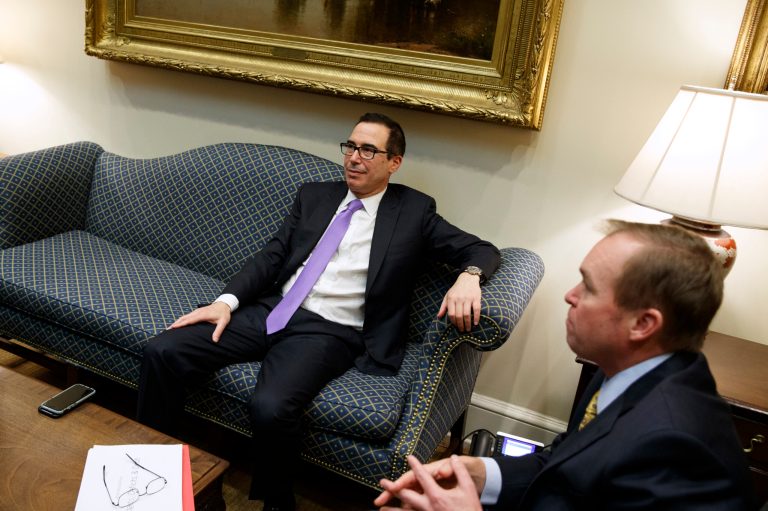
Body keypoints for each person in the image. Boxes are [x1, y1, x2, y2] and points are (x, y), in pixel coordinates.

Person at [136, 113, 501, 511]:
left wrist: (470, 277)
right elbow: (272, 257)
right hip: (274, 310)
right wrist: (225, 303)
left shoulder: (413, 212)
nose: (354, 159)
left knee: (271, 407)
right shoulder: (315, 196)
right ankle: (156, 476)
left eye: (368, 150)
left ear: (394, 162)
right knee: (163, 351)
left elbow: (482, 250)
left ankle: (278, 503)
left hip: (330, 331)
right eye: (350, 147)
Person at [374, 220, 758, 511]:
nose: (569, 295)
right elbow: (565, 464)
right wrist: (480, 474)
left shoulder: (676, 450)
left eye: (588, 287)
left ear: (643, 324)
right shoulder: (623, 371)